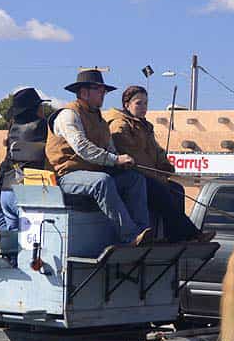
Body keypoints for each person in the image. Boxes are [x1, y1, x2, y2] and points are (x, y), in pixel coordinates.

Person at [45, 69, 153, 246]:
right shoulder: (68, 114)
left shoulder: (100, 120)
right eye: (99, 90)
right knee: (102, 182)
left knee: (135, 179)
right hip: (66, 176)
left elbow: (109, 148)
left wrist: (120, 161)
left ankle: (143, 233)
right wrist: (115, 160)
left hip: (92, 173)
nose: (103, 94)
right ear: (84, 92)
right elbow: (82, 147)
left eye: (104, 91)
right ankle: (130, 237)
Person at [106, 85, 213, 243]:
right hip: (133, 175)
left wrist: (165, 165)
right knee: (162, 192)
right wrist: (156, 175)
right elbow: (134, 155)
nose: (143, 107)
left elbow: (156, 150)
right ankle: (192, 234)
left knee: (177, 189)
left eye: (146, 103)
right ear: (127, 105)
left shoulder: (144, 126)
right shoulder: (120, 125)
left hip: (150, 175)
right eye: (138, 103)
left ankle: (175, 236)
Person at [0, 87, 50, 231]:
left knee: (15, 239)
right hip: (29, 192)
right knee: (30, 240)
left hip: (7, 191)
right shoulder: (43, 127)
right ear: (36, 109)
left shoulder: (13, 130)